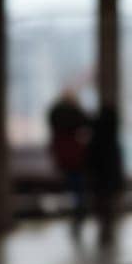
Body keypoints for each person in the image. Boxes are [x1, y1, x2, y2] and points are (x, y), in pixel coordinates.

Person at [46, 89, 90, 235]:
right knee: (79, 187)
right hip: (75, 155)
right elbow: (86, 123)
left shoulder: (55, 112)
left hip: (62, 154)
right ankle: (79, 212)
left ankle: (76, 212)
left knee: (73, 186)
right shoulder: (75, 112)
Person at [85, 105, 126, 247]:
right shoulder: (113, 139)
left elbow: (90, 160)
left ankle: (104, 229)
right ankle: (106, 229)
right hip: (109, 176)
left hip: (99, 176)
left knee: (102, 202)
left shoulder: (96, 137)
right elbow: (117, 162)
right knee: (108, 203)